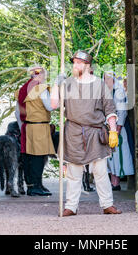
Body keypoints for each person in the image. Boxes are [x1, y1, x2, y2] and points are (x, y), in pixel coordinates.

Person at [51, 50, 121, 216]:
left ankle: (107, 204)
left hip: (95, 132)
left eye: (79, 63)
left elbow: (110, 110)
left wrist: (112, 131)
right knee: (74, 173)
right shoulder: (67, 84)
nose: (75, 65)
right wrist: (56, 84)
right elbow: (54, 104)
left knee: (101, 171)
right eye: (74, 62)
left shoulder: (100, 85)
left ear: (88, 65)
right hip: (73, 131)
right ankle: (71, 206)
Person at [18, 64, 56, 196]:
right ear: (39, 75)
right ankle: (35, 187)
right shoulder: (40, 88)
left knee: (30, 157)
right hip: (39, 126)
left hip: (28, 126)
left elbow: (18, 111)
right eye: (43, 74)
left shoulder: (24, 88)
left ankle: (34, 185)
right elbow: (50, 106)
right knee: (38, 158)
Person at [104, 72, 135, 191]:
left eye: (108, 79)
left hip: (118, 128)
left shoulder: (119, 91)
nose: (106, 81)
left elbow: (122, 111)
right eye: (105, 79)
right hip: (107, 127)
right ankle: (112, 181)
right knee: (110, 155)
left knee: (117, 154)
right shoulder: (106, 92)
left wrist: (118, 128)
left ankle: (116, 182)